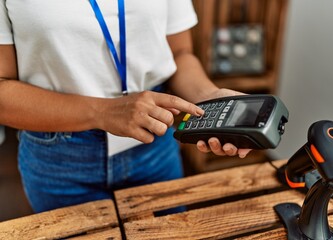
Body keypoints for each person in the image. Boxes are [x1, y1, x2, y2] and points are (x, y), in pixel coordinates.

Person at [0, 0, 250, 213]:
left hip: (156, 146)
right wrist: (104, 112)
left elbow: (179, 53)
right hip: (59, 159)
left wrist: (210, 96)